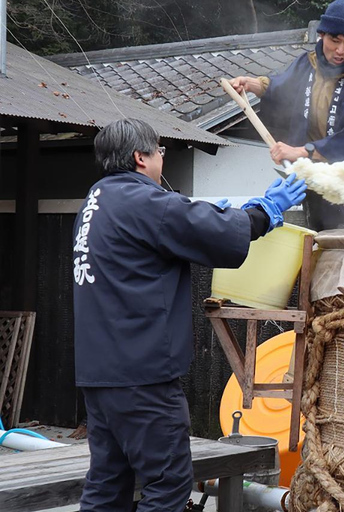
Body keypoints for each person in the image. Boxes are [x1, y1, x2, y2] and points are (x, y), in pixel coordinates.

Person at [72, 118, 306, 512]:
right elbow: (211, 231)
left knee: (108, 484)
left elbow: (192, 222)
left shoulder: (97, 202)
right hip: (142, 376)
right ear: (140, 157)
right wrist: (267, 212)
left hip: (101, 375)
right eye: (160, 150)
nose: (163, 157)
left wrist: (239, 214)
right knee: (168, 485)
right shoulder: (142, 201)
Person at [229, 0, 344, 231]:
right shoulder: (308, 64)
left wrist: (302, 151)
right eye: (335, 40)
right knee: (317, 243)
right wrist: (253, 84)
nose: (341, 50)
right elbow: (285, 85)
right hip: (316, 186)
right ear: (322, 35)